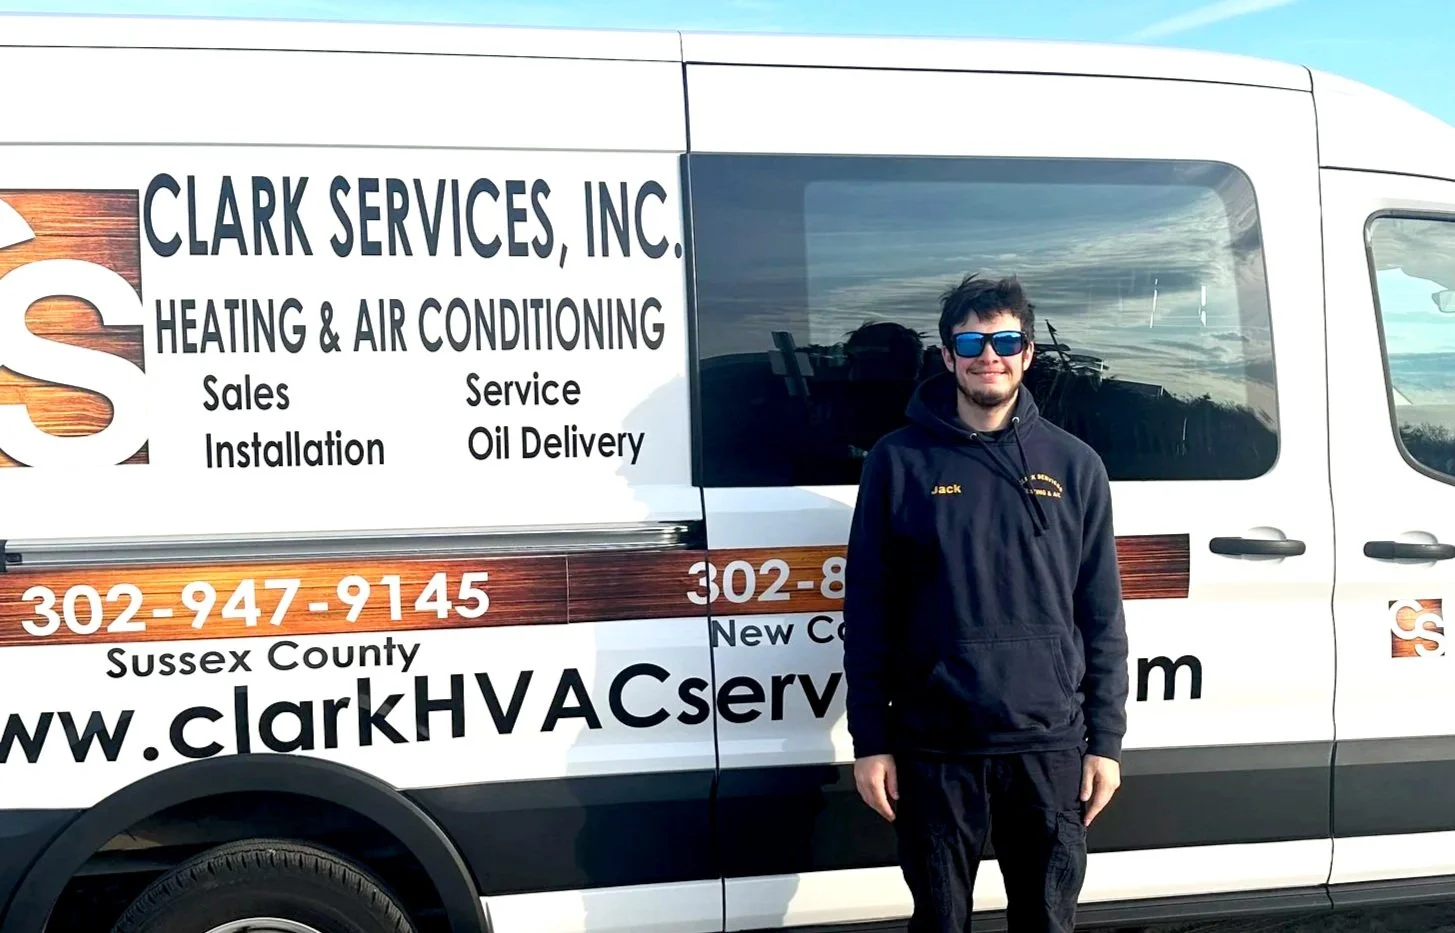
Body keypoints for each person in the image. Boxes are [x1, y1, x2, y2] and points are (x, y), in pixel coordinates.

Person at [842, 273, 1129, 933]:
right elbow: (867, 613)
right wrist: (871, 739)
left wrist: (1104, 741)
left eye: (1005, 339)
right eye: (969, 340)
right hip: (933, 746)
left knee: (1045, 924)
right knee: (940, 924)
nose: (987, 355)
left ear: (1028, 352)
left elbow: (1101, 615)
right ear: (946, 356)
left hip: (1047, 744)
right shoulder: (897, 462)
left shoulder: (1075, 465)